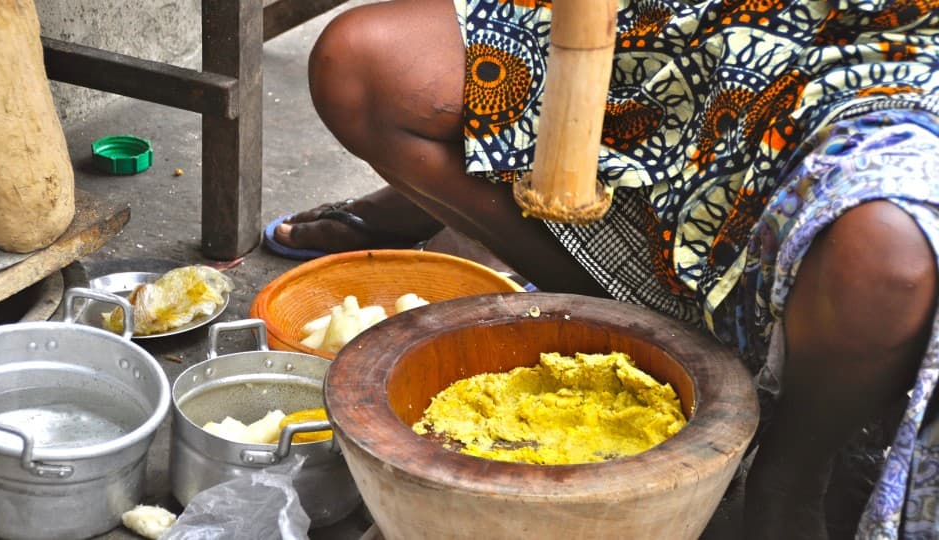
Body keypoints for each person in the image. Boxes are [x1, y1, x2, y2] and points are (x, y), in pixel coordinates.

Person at [276, 0, 939, 538]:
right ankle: (631, 325)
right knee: (362, 67)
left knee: (886, 258)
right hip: (702, 21)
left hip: (900, 55)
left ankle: (791, 476)